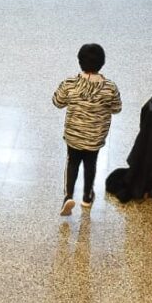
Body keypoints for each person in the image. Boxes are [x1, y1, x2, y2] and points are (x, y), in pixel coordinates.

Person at [53, 43, 123, 216]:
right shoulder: (110, 87)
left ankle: (68, 196)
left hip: (74, 135)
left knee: (72, 163)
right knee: (91, 164)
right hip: (95, 137)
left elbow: (57, 102)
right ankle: (87, 196)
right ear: (102, 63)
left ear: (79, 61)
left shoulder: (70, 83)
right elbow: (117, 108)